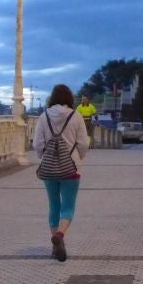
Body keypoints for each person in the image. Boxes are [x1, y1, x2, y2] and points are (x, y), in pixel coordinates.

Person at [32, 84, 91, 262]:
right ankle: (60, 235)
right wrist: (78, 157)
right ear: (69, 98)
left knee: (54, 205)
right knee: (68, 207)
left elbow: (37, 144)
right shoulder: (76, 116)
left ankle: (54, 245)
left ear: (53, 98)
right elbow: (83, 143)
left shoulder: (44, 117)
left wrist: (44, 156)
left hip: (49, 168)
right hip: (71, 168)